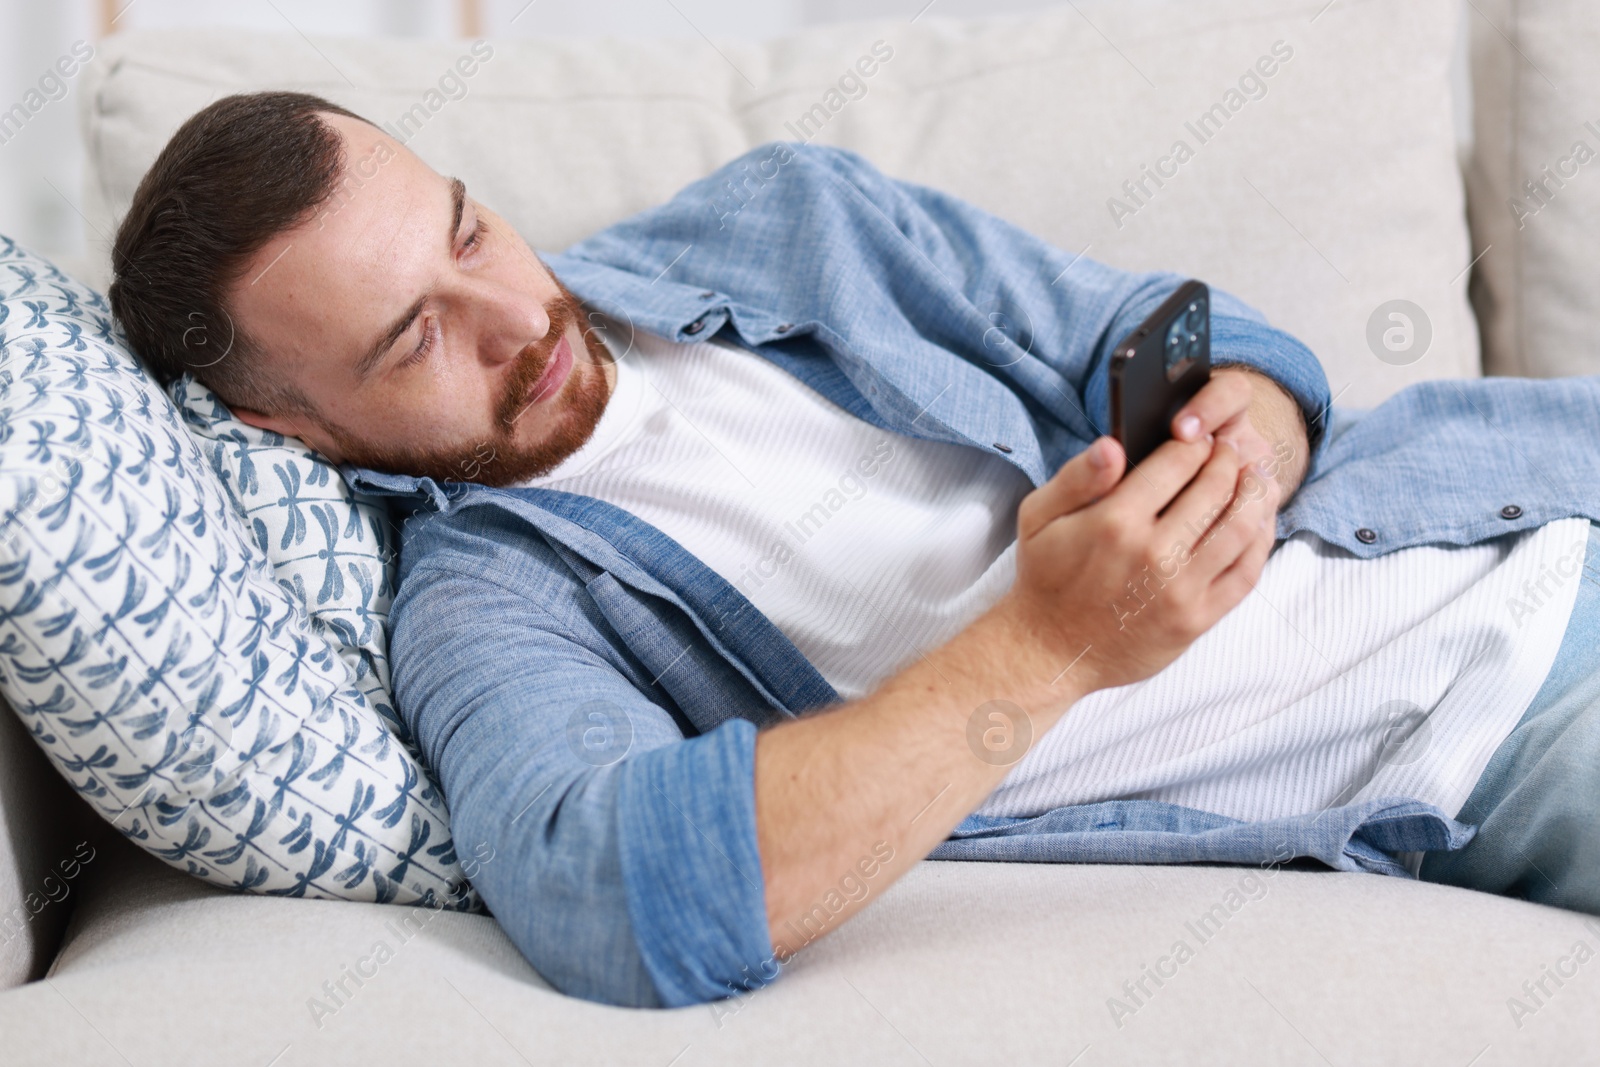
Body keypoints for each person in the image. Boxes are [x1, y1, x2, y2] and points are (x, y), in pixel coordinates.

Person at [108, 91, 1600, 1008]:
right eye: (416, 335)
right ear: (290, 433)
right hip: (1500, 724)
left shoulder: (788, 218)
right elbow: (623, 897)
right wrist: (1057, 642)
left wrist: (1242, 453)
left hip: (1514, 485)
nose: (514, 319)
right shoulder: (489, 601)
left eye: (468, 232)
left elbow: (1186, 334)